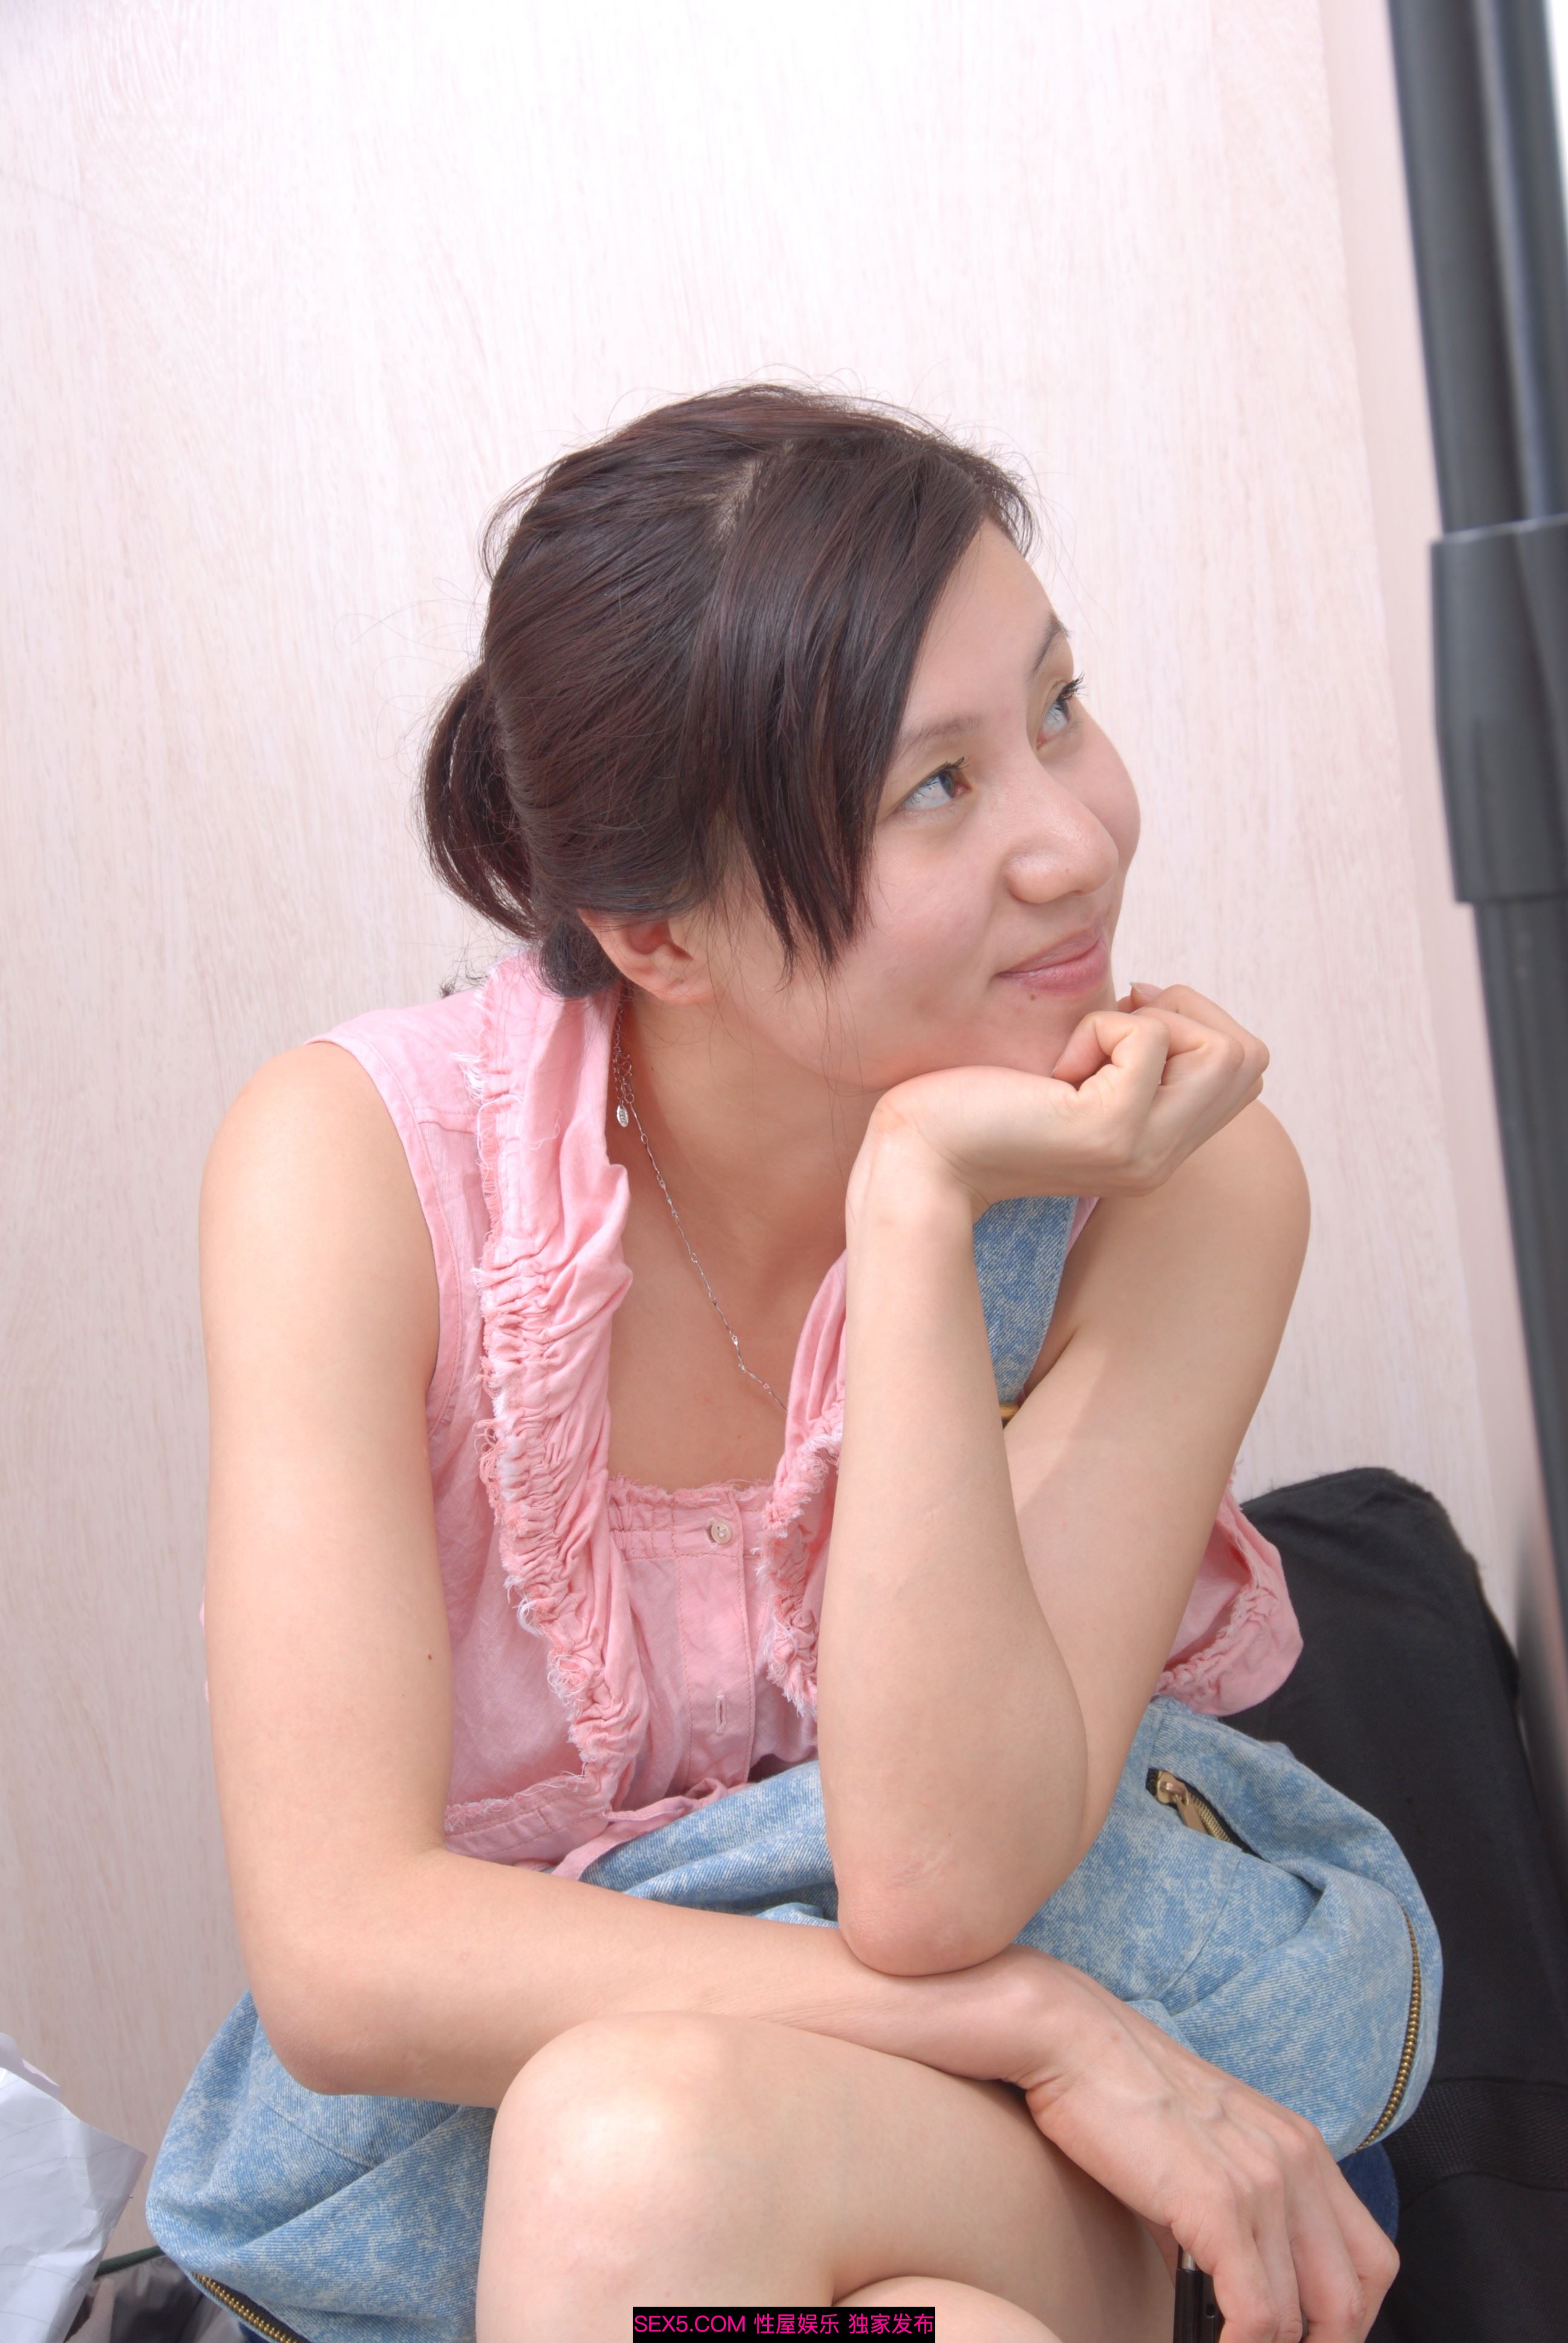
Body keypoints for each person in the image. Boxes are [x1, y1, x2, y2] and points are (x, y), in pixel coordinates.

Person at [148, 385, 1400, 2342]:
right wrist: (1025, 2019)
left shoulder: (1185, 1188)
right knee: (749, 2224)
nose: (1074, 840)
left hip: (1074, 2160)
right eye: (939, 790)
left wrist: (915, 1207)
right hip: (680, 2166)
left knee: (634, 2149)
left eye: (1059, 710)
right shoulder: (359, 1172)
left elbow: (936, 1874)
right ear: (658, 937)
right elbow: (344, 1955)